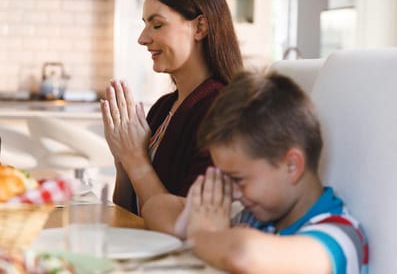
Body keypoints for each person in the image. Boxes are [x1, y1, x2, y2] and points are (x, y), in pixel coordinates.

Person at [143, 72, 369, 273]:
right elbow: (156, 206)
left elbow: (244, 255)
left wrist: (203, 236)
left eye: (238, 179)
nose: (233, 192)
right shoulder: (254, 219)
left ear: (291, 166)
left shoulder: (338, 238)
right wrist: (197, 228)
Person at [100, 0, 243, 214]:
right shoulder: (164, 107)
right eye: (145, 24)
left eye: (157, 25)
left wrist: (136, 159)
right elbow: (128, 212)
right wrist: (123, 161)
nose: (142, 38)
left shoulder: (223, 113)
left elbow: (184, 223)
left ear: (200, 27)